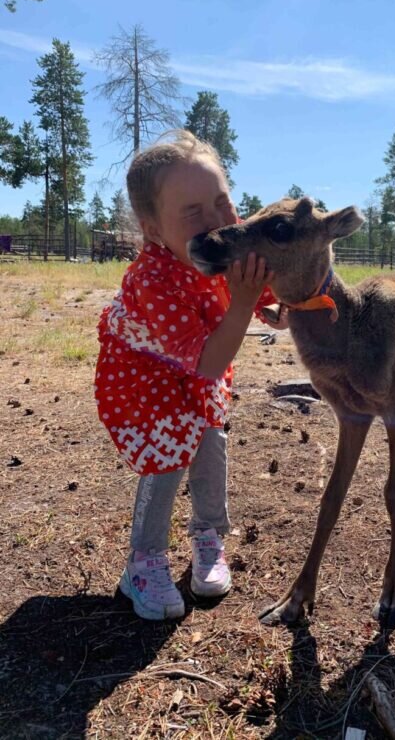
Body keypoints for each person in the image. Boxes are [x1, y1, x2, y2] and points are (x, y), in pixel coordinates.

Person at [95, 130, 286, 620]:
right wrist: (243, 304)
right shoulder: (151, 278)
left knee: (210, 443)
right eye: (192, 212)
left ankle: (208, 537)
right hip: (147, 379)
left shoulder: (225, 247)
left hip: (199, 369)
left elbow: (266, 300)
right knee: (167, 458)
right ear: (153, 228)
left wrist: (281, 307)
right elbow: (208, 361)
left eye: (222, 202)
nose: (216, 220)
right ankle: (144, 562)